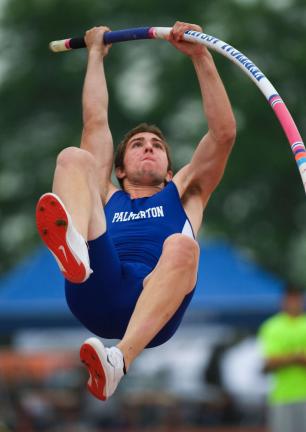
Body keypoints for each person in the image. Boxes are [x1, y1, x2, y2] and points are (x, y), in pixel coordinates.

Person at [36, 21, 236, 401]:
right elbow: (95, 121)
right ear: (121, 166)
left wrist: (201, 56)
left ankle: (118, 362)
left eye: (157, 145)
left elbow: (223, 134)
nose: (148, 148)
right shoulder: (107, 194)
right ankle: (74, 248)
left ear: (170, 168)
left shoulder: (186, 192)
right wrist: (95, 54)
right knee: (72, 158)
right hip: (95, 287)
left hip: (153, 306)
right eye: (138, 144)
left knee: (182, 247)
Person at [258, 284, 306, 432]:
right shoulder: (272, 326)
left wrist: (284, 358)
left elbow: (275, 360)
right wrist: (297, 357)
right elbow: (269, 362)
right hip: (281, 396)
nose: (293, 303)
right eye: (290, 299)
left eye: (296, 299)